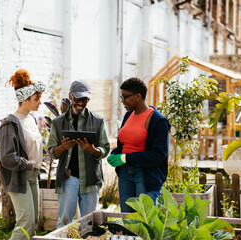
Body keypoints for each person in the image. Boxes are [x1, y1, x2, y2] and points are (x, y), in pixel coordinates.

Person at [47, 80, 110, 228]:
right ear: (70, 96)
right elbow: (52, 152)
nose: (81, 103)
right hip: (68, 178)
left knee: (89, 224)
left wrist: (92, 150)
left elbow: (105, 148)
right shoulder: (57, 123)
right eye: (78, 99)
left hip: (90, 179)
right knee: (64, 221)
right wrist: (62, 147)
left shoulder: (98, 121)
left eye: (85, 99)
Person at [107, 77, 170, 213]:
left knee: (145, 220)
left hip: (145, 175)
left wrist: (125, 158)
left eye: (125, 97)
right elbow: (124, 145)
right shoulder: (128, 116)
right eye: (121, 97)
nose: (122, 101)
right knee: (127, 218)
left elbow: (159, 155)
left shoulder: (158, 121)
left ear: (137, 96)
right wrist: (115, 154)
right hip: (124, 173)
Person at [0, 69, 45, 239]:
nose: (40, 102)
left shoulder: (31, 119)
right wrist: (27, 164)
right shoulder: (9, 124)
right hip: (20, 177)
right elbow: (6, 157)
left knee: (34, 221)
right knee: (25, 222)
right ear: (25, 100)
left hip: (33, 176)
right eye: (36, 99)